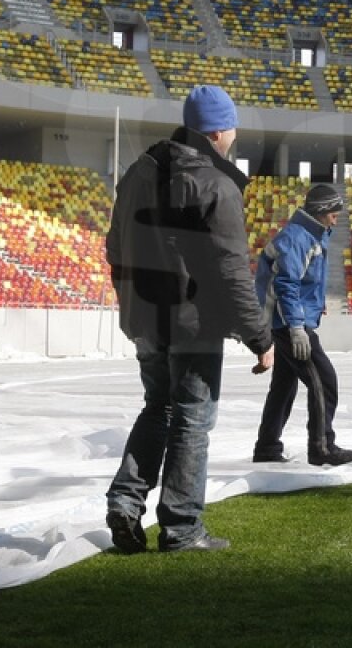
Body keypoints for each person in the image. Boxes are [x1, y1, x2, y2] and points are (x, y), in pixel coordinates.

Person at [105, 84, 274, 554]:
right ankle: (181, 527)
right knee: (192, 419)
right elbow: (231, 270)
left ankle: (125, 499)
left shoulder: (139, 170)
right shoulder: (216, 182)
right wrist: (260, 336)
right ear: (221, 130)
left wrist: (131, 301)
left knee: (156, 407)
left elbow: (115, 248)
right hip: (193, 322)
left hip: (145, 316)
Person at [252, 183, 352, 467]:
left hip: (285, 321)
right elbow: (287, 285)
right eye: (334, 212)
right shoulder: (300, 237)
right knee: (324, 382)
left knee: (284, 387)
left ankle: (267, 446)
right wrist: (297, 328)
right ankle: (322, 447)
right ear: (322, 211)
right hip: (289, 323)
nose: (337, 217)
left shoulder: (311, 234)